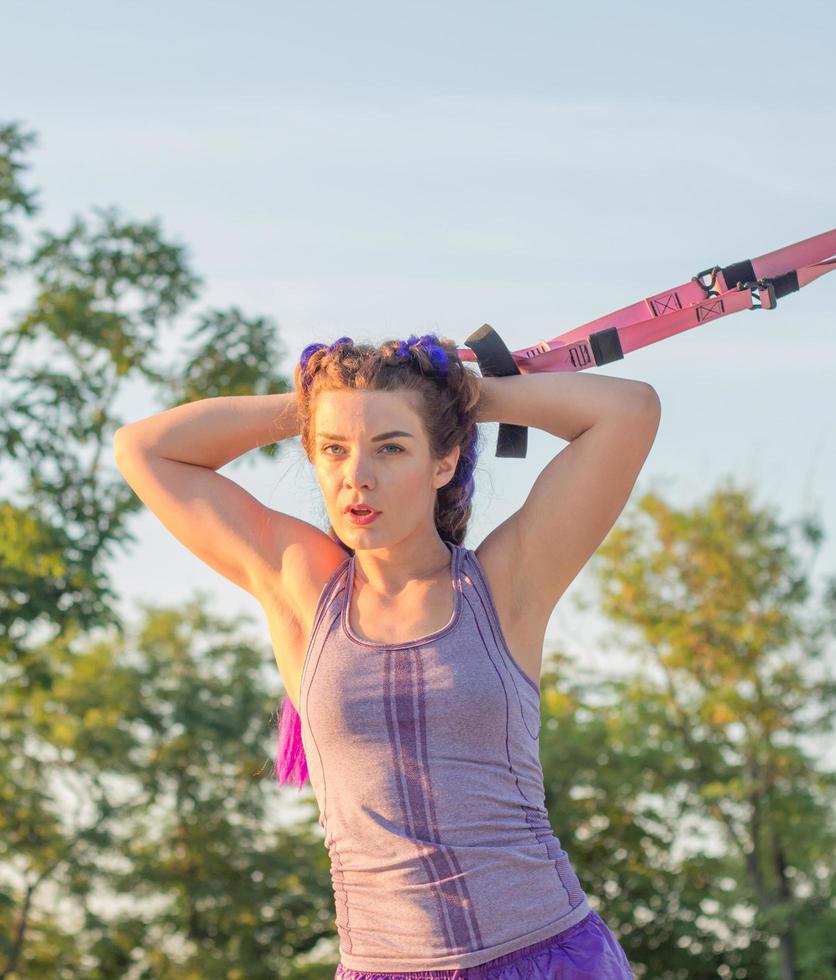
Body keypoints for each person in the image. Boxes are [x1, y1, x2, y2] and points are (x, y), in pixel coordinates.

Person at [112, 334, 659, 978]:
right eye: (334, 450)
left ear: (444, 461)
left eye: (392, 448)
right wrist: (323, 403)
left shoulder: (505, 584)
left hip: (544, 953)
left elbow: (629, 411)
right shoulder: (300, 585)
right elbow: (143, 449)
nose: (357, 476)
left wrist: (458, 395)